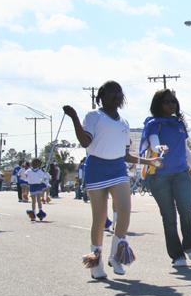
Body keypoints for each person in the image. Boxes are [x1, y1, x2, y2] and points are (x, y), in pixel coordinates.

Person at [64, 81, 160, 280]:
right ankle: (95, 262)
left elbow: (126, 155)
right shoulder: (93, 116)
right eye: (110, 93)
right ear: (101, 96)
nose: (115, 96)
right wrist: (74, 117)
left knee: (124, 212)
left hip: (117, 169)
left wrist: (148, 160)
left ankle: (116, 256)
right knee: (99, 219)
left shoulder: (124, 123)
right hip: (97, 169)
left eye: (118, 93)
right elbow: (85, 142)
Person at [141, 89, 191, 267]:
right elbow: (153, 141)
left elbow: (184, 149)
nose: (171, 104)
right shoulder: (154, 124)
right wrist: (159, 147)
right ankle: (177, 255)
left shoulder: (179, 124)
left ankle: (190, 245)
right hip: (159, 176)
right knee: (169, 217)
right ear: (158, 105)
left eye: (173, 101)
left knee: (186, 210)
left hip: (181, 174)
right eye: (167, 101)